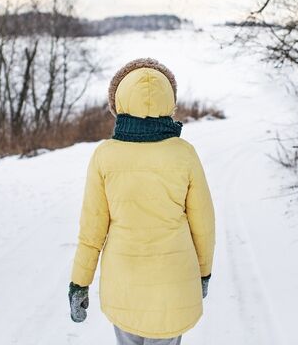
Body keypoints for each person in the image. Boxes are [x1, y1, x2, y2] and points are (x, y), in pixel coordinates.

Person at [68, 58, 216, 345]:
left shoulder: (105, 155)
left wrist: (79, 283)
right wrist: (203, 273)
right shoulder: (184, 153)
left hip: (124, 286)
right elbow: (204, 225)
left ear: (119, 102)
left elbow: (91, 232)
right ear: (168, 101)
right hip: (174, 285)